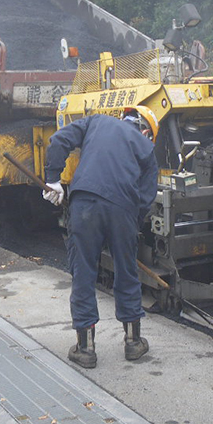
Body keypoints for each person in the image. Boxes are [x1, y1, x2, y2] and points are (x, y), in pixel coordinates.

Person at [42, 108, 160, 368]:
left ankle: (85, 348)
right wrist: (128, 226)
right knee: (126, 271)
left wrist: (53, 180)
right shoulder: (146, 148)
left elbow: (59, 140)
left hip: (84, 204)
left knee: (83, 272)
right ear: (146, 132)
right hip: (123, 209)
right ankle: (133, 342)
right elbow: (146, 198)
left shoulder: (96, 122)